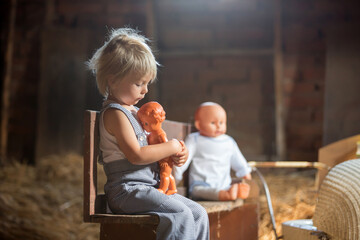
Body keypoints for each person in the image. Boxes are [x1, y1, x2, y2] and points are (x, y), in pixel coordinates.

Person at [87, 28, 209, 240]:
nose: (144, 91)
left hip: (148, 188)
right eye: (138, 83)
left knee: (199, 213)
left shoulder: (135, 113)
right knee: (180, 214)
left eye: (147, 84)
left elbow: (153, 146)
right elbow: (137, 155)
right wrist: (171, 146)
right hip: (126, 191)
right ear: (113, 80)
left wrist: (175, 153)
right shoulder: (116, 114)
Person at [174, 102, 252, 201]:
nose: (218, 126)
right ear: (198, 125)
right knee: (198, 191)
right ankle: (226, 195)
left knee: (229, 189)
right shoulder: (195, 139)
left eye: (221, 122)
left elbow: (239, 162)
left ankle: (231, 192)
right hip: (201, 184)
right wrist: (176, 176)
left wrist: (246, 177)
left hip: (224, 185)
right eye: (213, 123)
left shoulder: (229, 141)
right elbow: (184, 159)